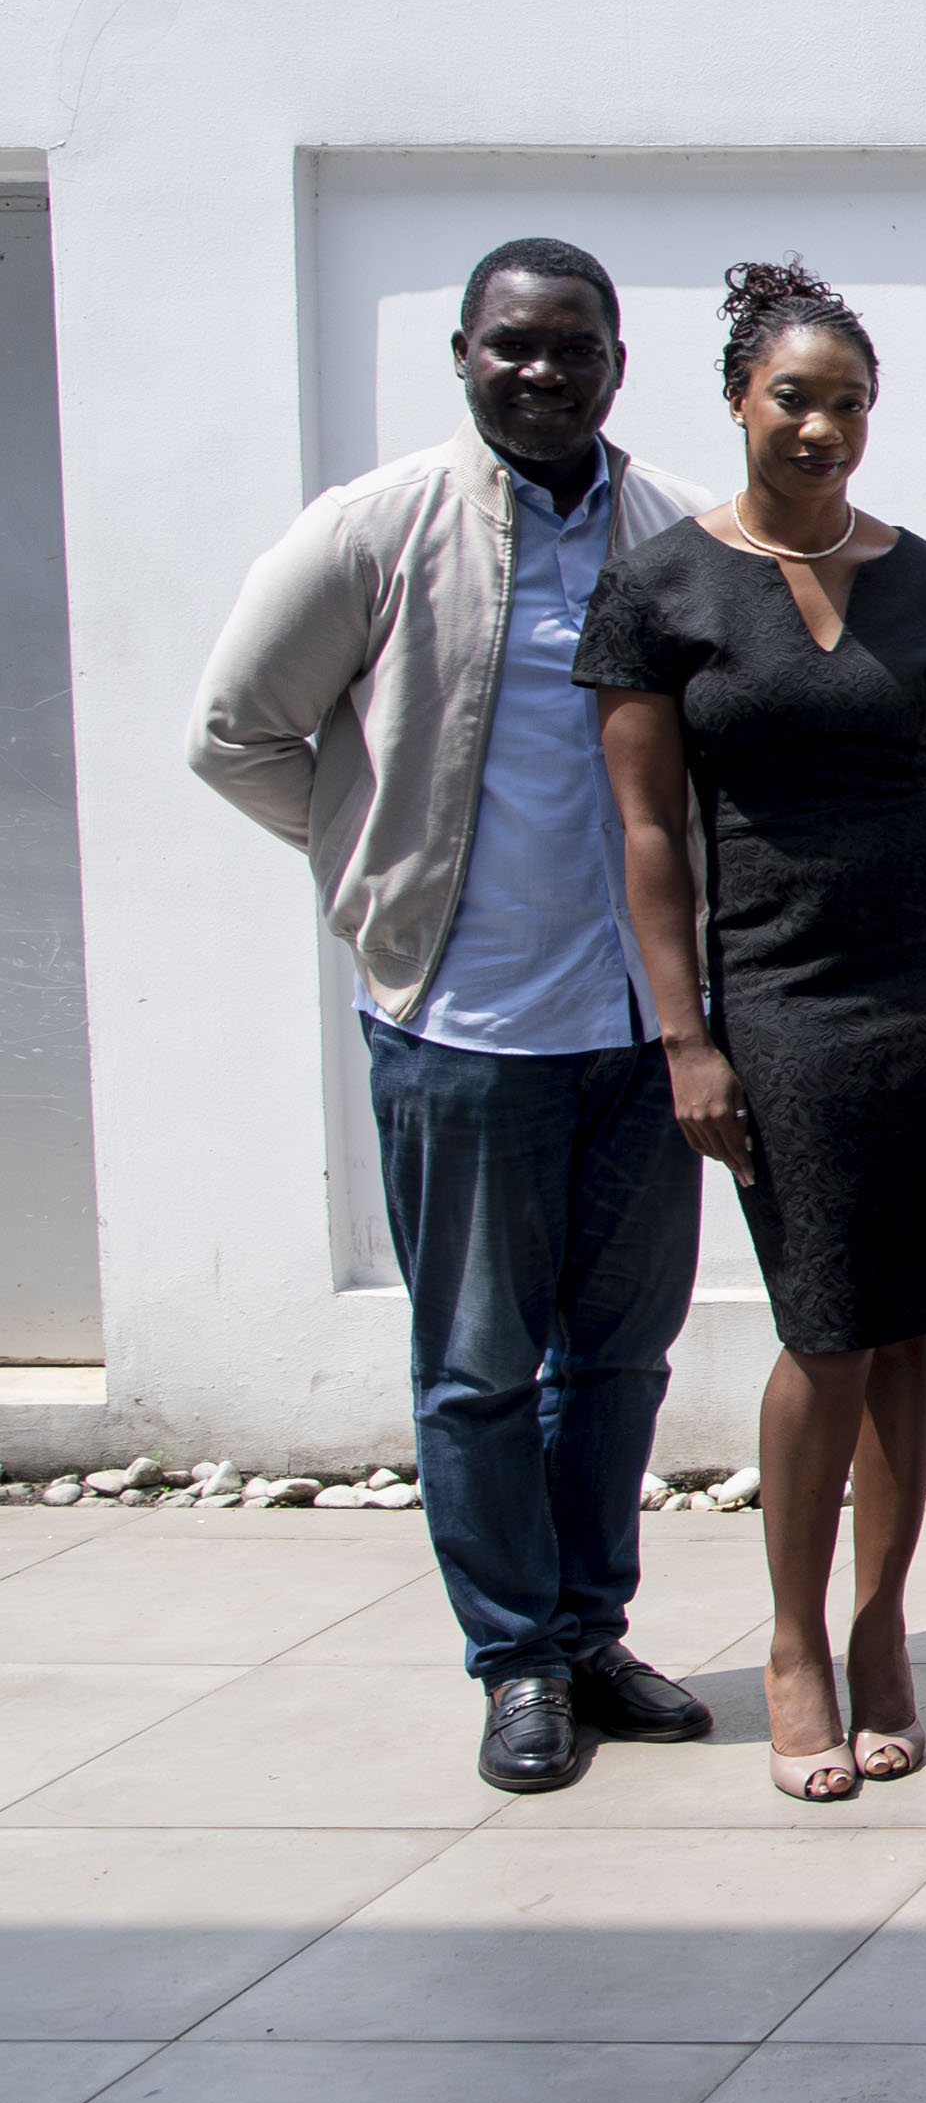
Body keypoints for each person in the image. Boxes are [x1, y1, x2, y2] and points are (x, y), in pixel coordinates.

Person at [186, 237, 719, 1793]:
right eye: (512, 345)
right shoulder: (376, 526)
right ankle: (516, 1660)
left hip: (641, 1032)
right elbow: (236, 731)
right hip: (464, 1027)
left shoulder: (678, 530)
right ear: (465, 356)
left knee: (618, 1362)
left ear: (618, 362)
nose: (543, 371)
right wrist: (380, 873)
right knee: (478, 1367)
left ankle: (590, 1628)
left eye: (574, 346)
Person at [583, 261, 926, 1803]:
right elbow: (646, 834)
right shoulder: (662, 589)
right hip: (779, 991)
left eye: (848, 403)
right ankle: (792, 1639)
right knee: (824, 1320)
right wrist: (685, 1036)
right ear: (737, 400)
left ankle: (885, 1626)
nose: (820, 427)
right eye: (793, 399)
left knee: (909, 1319)